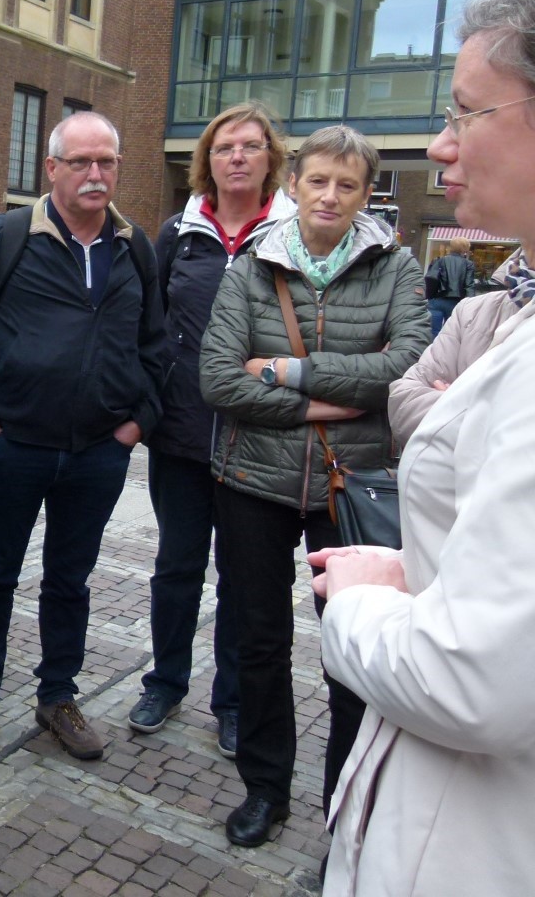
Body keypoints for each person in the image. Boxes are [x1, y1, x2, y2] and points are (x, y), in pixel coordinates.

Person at [314, 0, 535, 896]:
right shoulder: (515, 309)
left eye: (464, 111)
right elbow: (402, 383)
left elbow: (469, 680)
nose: (442, 144)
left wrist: (367, 596)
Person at [199, 124, 428, 849]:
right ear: (293, 184)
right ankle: (266, 788)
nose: (331, 196)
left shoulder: (396, 267)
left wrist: (287, 371)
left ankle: (345, 800)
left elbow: (408, 367)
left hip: (351, 485)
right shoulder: (250, 268)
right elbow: (217, 379)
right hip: (253, 483)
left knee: (353, 651)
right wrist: (332, 400)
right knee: (259, 642)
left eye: (348, 185)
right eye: (319, 180)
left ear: (367, 194)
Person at [0, 111, 163, 764]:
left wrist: (133, 428)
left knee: (71, 579)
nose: (96, 174)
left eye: (107, 162)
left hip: (99, 451)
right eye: (81, 162)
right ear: (52, 169)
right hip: (14, 444)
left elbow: (158, 346)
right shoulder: (12, 236)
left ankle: (58, 696)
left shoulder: (136, 248)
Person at [129, 103, 297, 759]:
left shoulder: (289, 234)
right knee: (176, 566)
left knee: (242, 576)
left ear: (269, 158)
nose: (237, 157)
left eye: (251, 146)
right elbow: (149, 322)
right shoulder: (181, 231)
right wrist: (150, 403)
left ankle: (230, 702)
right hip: (181, 435)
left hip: (257, 438)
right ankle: (165, 681)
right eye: (225, 146)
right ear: (208, 158)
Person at [388, 249, 527, 451]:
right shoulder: (474, 309)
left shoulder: (441, 262)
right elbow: (405, 402)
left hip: (439, 300)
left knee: (435, 332)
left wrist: (455, 402)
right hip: (455, 301)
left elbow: (432, 280)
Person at [423, 235, 477, 337]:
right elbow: (469, 285)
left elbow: (430, 278)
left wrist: (428, 296)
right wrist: (471, 303)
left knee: (433, 332)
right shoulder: (468, 264)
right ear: (464, 248)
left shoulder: (438, 260)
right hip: (455, 302)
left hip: (436, 299)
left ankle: (431, 351)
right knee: (450, 333)